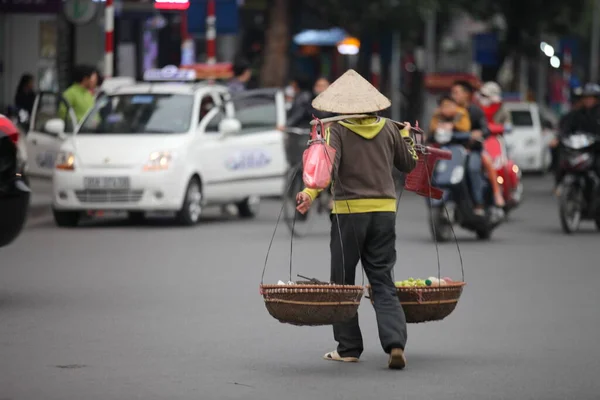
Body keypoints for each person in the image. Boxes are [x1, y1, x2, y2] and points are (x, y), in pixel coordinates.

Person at [295, 69, 418, 370]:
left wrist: (309, 193)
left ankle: (349, 347)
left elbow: (326, 171)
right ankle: (395, 344)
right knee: (382, 280)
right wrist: (406, 137)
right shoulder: (389, 128)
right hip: (384, 213)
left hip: (349, 213)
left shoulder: (337, 130)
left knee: (344, 281)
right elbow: (408, 163)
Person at [451, 80, 502, 213]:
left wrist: (477, 134)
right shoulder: (449, 110)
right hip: (452, 151)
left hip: (472, 150)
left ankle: (479, 203)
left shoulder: (476, 111)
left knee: (473, 169)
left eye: (457, 92)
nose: (454, 96)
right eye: (453, 93)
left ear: (466, 94)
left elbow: (485, 129)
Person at [556, 83, 600, 191]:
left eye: (591, 98)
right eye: (586, 98)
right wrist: (561, 136)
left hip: (596, 150)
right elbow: (566, 126)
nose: (588, 101)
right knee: (563, 159)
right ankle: (558, 184)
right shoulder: (577, 114)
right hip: (580, 149)